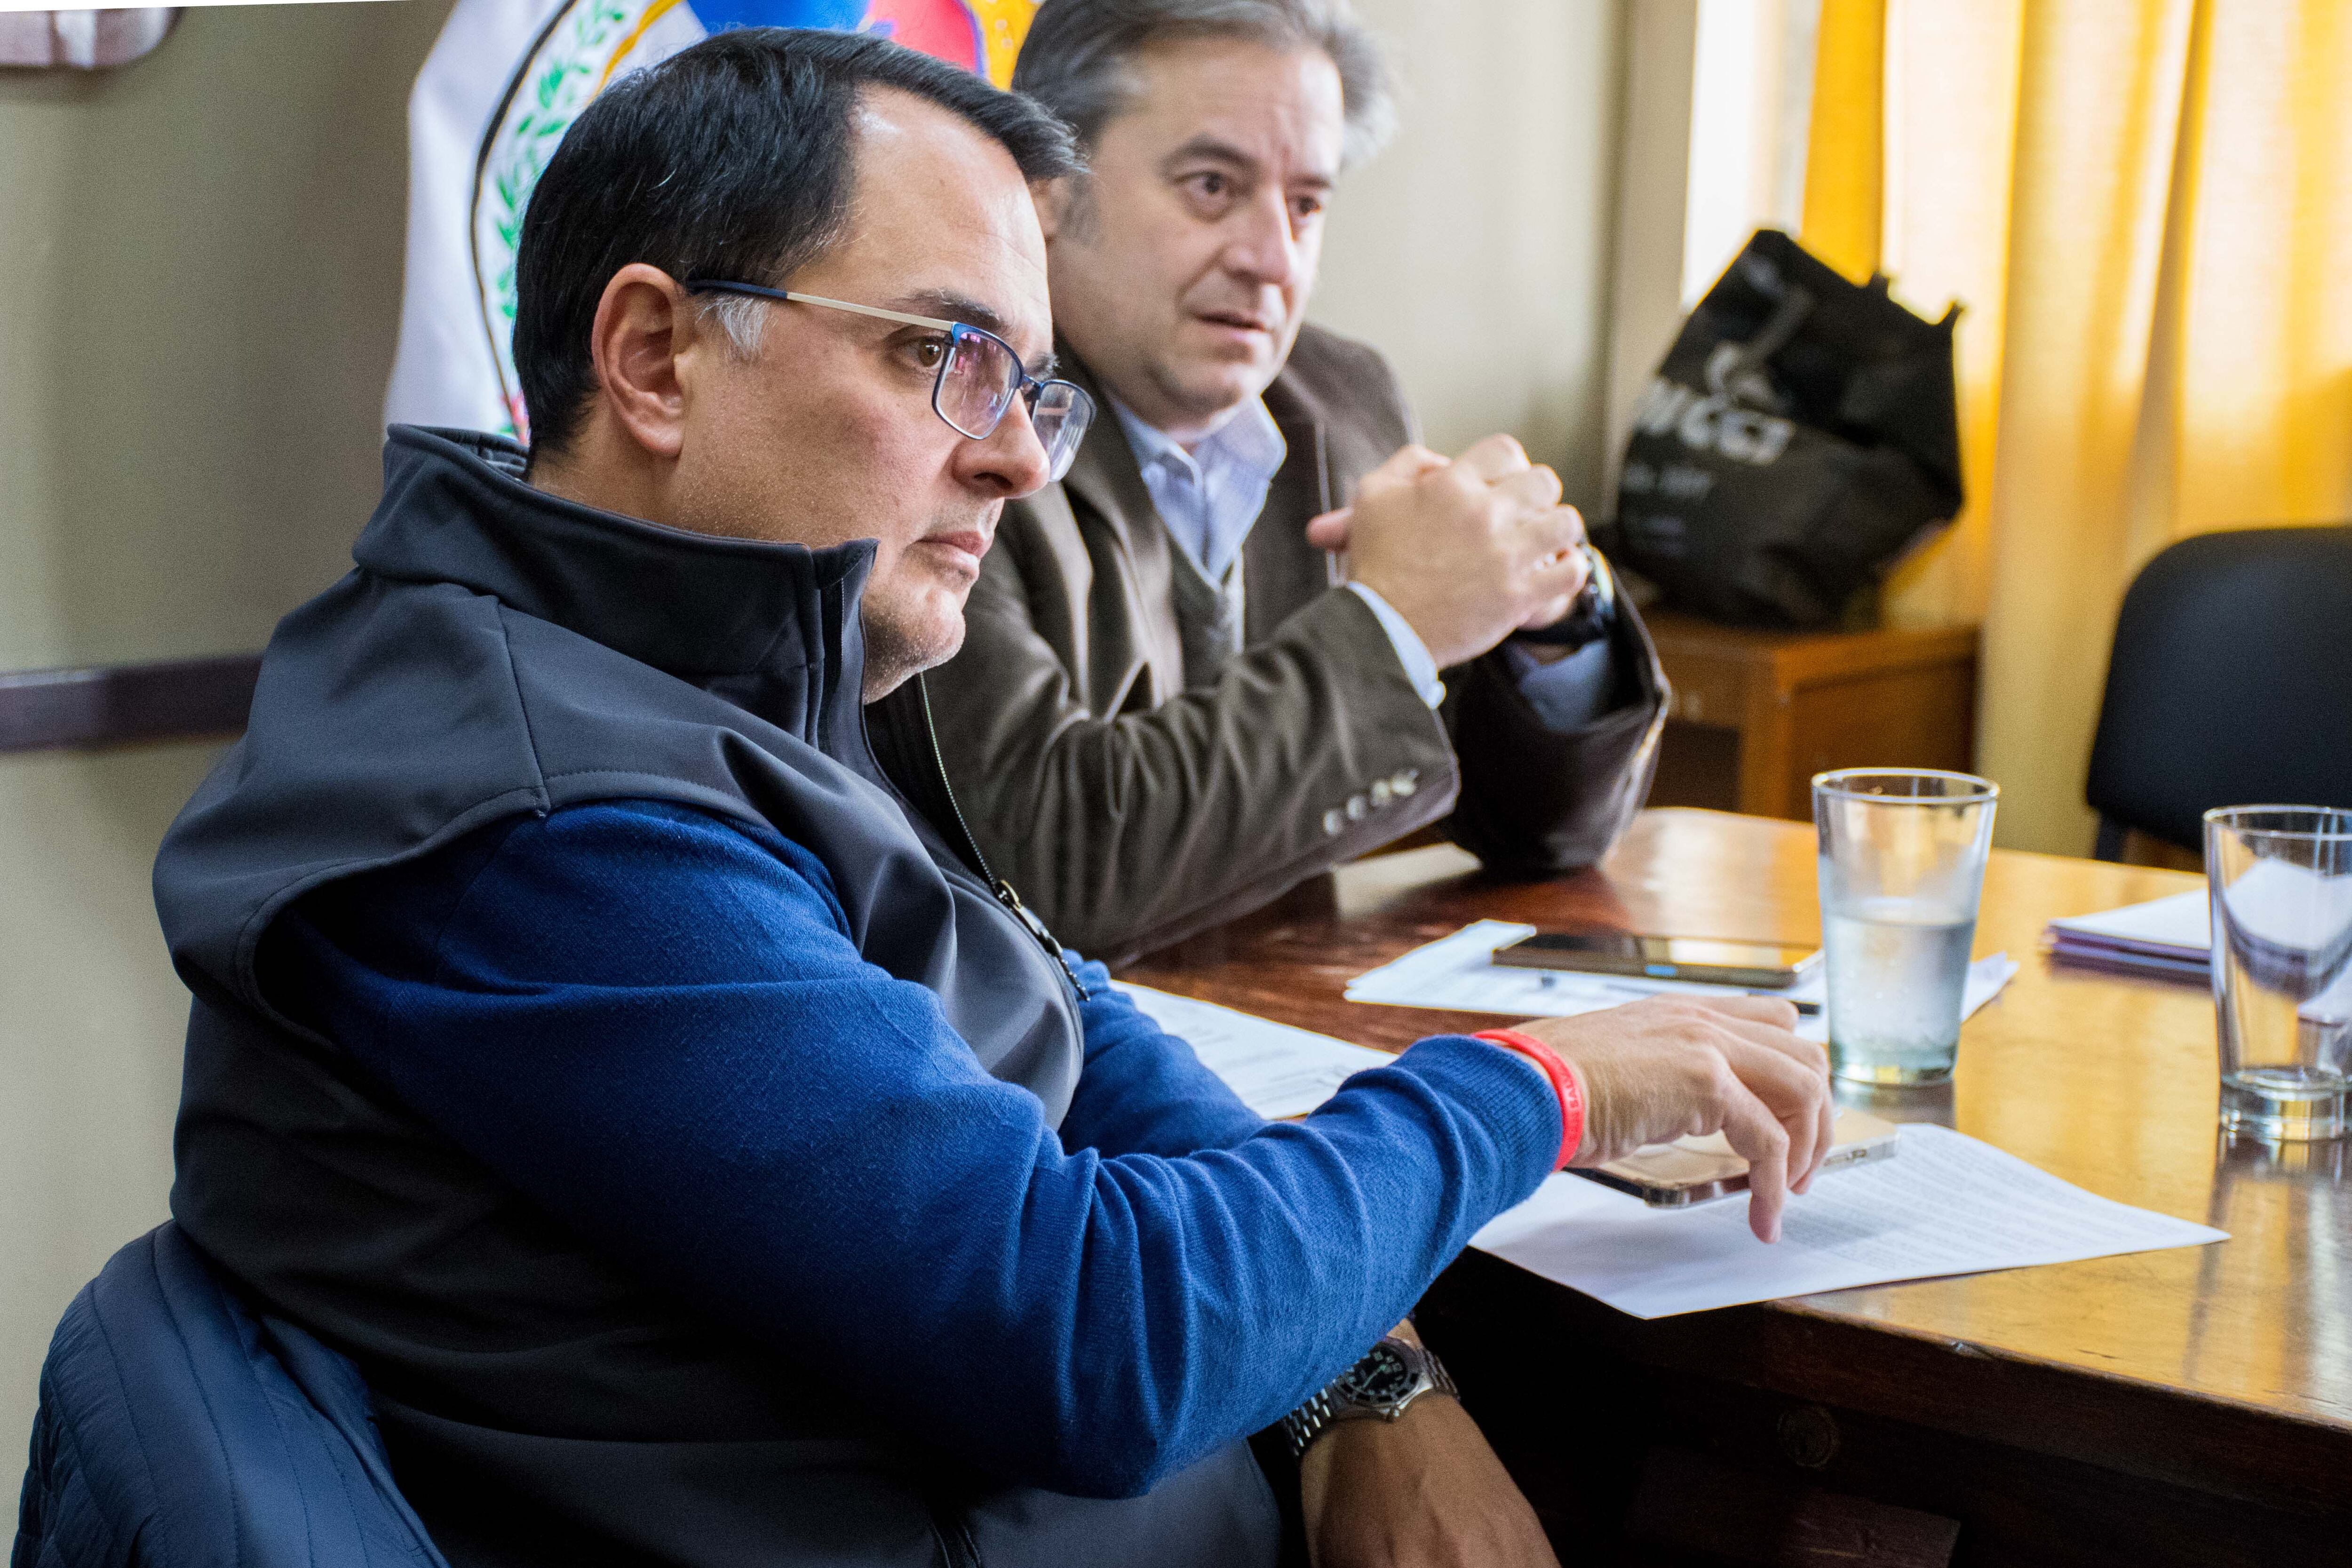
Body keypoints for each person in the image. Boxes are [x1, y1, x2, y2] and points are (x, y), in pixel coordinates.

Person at [152, 29, 1832, 1568]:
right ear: (656, 356)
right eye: (950, 358)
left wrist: (1361, 1390)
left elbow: (1066, 1018)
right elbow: (1094, 1336)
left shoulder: (712, 658)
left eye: (1029, 384)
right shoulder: (546, 819)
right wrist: (1531, 1094)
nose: (1023, 457)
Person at [871, 0, 1667, 963]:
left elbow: (1543, 834)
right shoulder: (952, 416)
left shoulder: (1343, 396)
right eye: (1212, 186)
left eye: (1305, 204)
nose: (1272, 259)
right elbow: (1044, 869)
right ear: (1046, 186)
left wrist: (1549, 616)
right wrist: (1398, 623)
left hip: (1293, 1045)